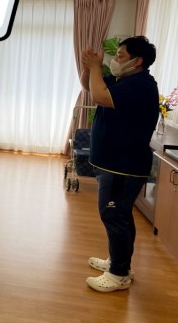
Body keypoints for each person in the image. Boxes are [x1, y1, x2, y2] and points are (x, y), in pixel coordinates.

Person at [80, 36, 159, 292]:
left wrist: (95, 67)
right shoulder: (124, 80)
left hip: (122, 166)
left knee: (114, 216)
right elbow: (90, 88)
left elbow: (100, 96)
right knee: (120, 216)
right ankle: (118, 262)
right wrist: (88, 67)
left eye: (120, 55)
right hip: (113, 164)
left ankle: (119, 274)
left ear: (137, 61)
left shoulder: (140, 85)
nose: (115, 59)